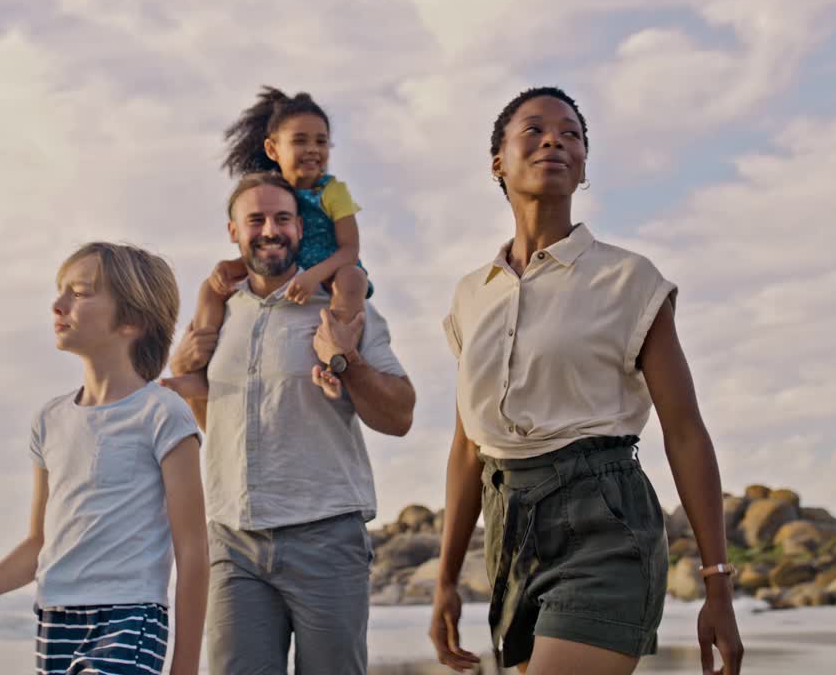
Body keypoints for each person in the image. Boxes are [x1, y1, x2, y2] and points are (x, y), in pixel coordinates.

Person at [429, 88, 744, 675]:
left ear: (583, 166)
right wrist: (445, 580)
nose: (555, 139)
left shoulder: (629, 279)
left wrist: (717, 582)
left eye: (571, 133)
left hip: (604, 520)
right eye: (534, 130)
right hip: (509, 534)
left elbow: (685, 432)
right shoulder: (472, 295)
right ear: (497, 160)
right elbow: (468, 446)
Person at [165, 171, 415, 674]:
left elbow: (401, 414)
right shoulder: (217, 320)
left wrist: (346, 360)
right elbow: (211, 415)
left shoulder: (345, 308)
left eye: (282, 218)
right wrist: (180, 370)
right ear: (233, 232)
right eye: (254, 219)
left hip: (326, 536)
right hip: (233, 541)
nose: (270, 230)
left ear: (301, 228)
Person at [0, 242, 208, 675]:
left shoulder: (161, 412)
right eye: (60, 290)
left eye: (80, 292)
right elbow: (40, 542)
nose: (58, 304)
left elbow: (194, 549)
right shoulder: (49, 421)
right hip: (55, 618)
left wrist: (186, 667)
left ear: (132, 320)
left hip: (131, 614)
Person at [168, 87, 371, 393]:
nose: (313, 149)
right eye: (300, 140)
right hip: (290, 264)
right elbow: (270, 245)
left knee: (352, 278)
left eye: (321, 141)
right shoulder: (273, 192)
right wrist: (230, 265)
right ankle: (199, 369)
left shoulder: (333, 192)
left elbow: (350, 249)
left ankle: (333, 362)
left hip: (331, 267)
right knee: (212, 285)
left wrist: (314, 275)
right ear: (273, 149)